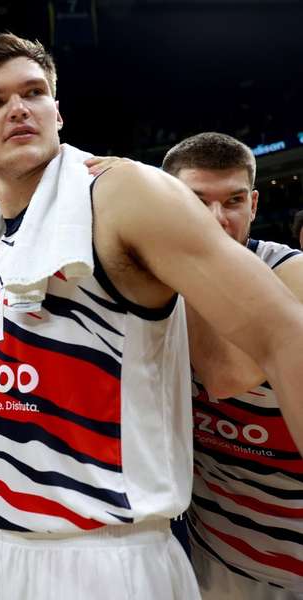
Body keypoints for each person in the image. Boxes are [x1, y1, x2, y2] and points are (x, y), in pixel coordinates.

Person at [0, 33, 303, 600]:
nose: (18, 108)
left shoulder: (120, 193)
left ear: (57, 112)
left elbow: (286, 333)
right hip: (0, 542)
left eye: (33, 92)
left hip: (105, 553)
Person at [161, 133, 303, 599]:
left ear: (255, 205)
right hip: (215, 556)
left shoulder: (291, 275)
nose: (216, 220)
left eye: (234, 201)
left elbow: (226, 378)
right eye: (195, 202)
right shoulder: (150, 291)